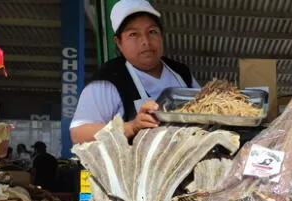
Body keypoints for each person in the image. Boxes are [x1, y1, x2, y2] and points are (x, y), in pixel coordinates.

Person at [69, 0, 200, 144]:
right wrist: (131, 127)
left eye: (152, 31)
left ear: (161, 36)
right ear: (119, 42)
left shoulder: (181, 73)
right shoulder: (107, 80)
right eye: (133, 34)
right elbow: (78, 134)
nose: (145, 41)